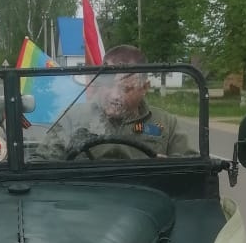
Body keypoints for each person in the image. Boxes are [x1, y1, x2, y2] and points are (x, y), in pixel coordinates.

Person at [41, 45, 193, 158]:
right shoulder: (71, 118)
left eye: (126, 88)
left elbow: (193, 169)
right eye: (108, 84)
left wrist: (171, 168)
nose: (115, 96)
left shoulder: (166, 124)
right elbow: (41, 163)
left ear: (144, 87)